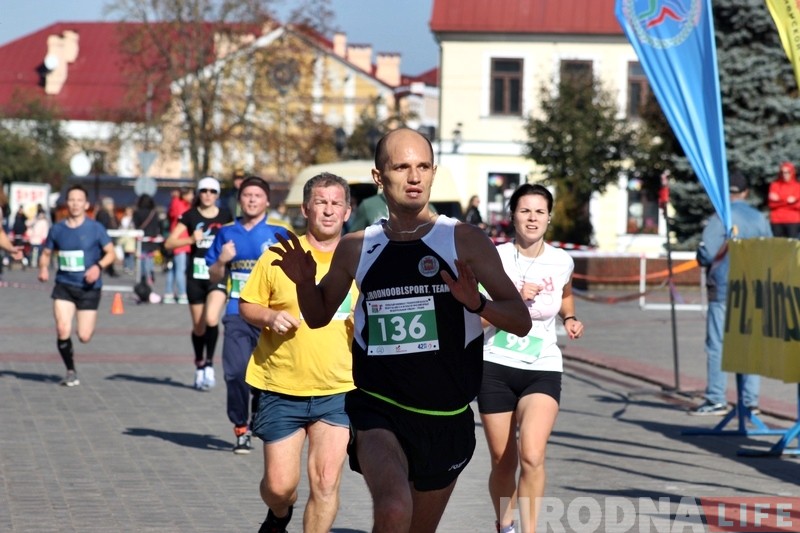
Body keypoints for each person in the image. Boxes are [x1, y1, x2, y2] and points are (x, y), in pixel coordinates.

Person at [269, 128, 530, 532]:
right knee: (393, 509)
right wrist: (305, 283)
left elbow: (521, 319)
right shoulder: (357, 246)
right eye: (402, 167)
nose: (414, 177)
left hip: (446, 415)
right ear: (379, 177)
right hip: (378, 407)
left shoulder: (464, 240)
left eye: (423, 166)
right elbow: (319, 316)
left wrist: (478, 304)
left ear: (433, 172)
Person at [239, 172, 356, 533]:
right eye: (321, 202)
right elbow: (247, 305)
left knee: (324, 482)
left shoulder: (359, 260)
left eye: (336, 203)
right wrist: (270, 316)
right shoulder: (278, 255)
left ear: (348, 211)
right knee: (279, 487)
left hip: (338, 387)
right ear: (306, 208)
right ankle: (278, 515)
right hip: (281, 385)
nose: (328, 210)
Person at [478, 184, 584, 533]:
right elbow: (473, 316)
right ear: (512, 215)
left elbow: (565, 294)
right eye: (525, 210)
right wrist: (510, 301)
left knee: (532, 455)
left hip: (542, 366)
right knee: (503, 461)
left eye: (540, 211)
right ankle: (504, 524)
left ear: (549, 217)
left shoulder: (561, 260)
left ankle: (530, 530)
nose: (532, 218)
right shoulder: (494, 257)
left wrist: (569, 318)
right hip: (494, 364)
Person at [205, 176, 289, 454]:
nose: (252, 199)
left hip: (270, 315)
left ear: (267, 201)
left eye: (257, 195)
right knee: (236, 372)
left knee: (266, 375)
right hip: (237, 311)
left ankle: (258, 420)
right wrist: (221, 261)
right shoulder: (226, 233)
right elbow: (213, 274)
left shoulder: (281, 233)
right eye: (247, 195)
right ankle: (241, 427)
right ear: (239, 200)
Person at [692, 170, 773, 416]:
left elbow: (707, 253)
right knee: (750, 345)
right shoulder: (759, 218)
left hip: (725, 289)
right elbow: (770, 251)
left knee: (717, 344)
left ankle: (716, 398)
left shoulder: (721, 217)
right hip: (753, 289)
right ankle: (750, 402)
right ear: (746, 192)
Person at [37, 185, 116, 386]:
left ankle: (75, 356)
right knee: (63, 329)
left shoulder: (95, 228)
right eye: (71, 200)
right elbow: (46, 253)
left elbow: (111, 253)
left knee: (84, 336)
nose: (75, 204)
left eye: (79, 200)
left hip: (89, 288)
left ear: (86, 204)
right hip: (64, 285)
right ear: (67, 203)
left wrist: (98, 267)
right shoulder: (57, 229)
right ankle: (70, 370)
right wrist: (43, 268)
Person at [165, 177, 233, 390]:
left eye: (212, 191)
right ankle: (199, 364)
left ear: (218, 195)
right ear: (198, 193)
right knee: (199, 326)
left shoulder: (226, 216)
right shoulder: (190, 216)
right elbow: (169, 243)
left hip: (218, 275)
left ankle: (210, 366)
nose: (208, 195)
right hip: (195, 276)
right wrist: (190, 240)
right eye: (204, 191)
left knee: (212, 318)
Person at [164, 187, 194, 304]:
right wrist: (176, 197)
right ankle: (182, 293)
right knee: (180, 269)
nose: (192, 197)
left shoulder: (183, 204)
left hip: (182, 241)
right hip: (179, 241)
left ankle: (168, 293)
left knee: (174, 269)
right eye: (190, 194)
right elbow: (180, 215)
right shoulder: (179, 204)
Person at [133, 194, 162, 287]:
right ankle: (150, 274)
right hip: (152, 239)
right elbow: (158, 226)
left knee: (141, 259)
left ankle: (143, 277)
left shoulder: (137, 213)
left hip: (141, 239)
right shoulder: (154, 213)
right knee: (150, 258)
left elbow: (136, 225)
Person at [767, 161, 800, 238]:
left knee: (793, 245)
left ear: (792, 172)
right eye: (783, 172)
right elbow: (771, 204)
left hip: (793, 221)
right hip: (776, 220)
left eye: (787, 172)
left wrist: (779, 200)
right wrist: (788, 201)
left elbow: (798, 205)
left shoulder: (797, 187)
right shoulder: (774, 185)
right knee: (777, 246)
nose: (785, 175)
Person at [95, 197, 120, 277]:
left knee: (108, 253)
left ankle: (109, 269)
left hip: (111, 236)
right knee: (106, 253)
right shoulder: (103, 213)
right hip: (105, 237)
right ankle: (108, 269)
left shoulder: (111, 214)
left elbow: (117, 223)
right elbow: (103, 225)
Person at [28, 204, 51, 269]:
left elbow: (45, 231)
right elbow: (29, 224)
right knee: (33, 252)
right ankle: (33, 263)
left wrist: (44, 238)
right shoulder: (35, 220)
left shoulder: (44, 222)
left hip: (40, 239)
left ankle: (40, 263)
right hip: (34, 239)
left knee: (40, 252)